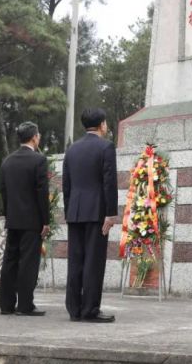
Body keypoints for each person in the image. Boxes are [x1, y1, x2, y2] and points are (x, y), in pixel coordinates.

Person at [62, 108, 118, 323]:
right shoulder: (106, 147)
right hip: (97, 212)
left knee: (75, 261)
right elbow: (109, 182)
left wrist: (69, 211)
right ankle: (90, 309)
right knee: (94, 262)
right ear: (102, 124)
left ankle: (74, 309)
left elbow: (66, 183)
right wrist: (110, 213)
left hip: (75, 211)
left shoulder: (72, 149)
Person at [0, 123, 49, 316]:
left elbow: (3, 190)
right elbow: (41, 192)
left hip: (13, 219)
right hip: (31, 220)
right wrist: (45, 220)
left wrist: (9, 213)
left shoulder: (7, 161)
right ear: (34, 137)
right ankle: (25, 304)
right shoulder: (38, 160)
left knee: (10, 260)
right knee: (28, 262)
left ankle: (6, 304)